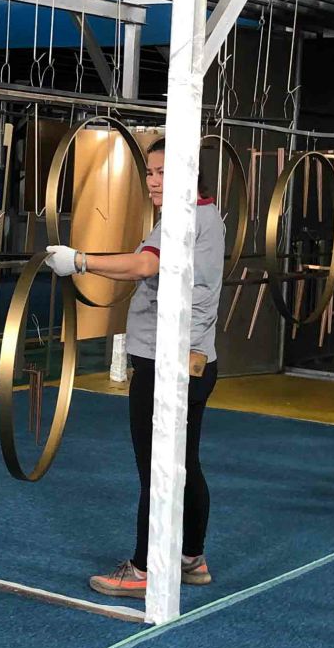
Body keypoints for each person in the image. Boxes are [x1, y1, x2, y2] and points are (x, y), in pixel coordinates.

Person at [45, 138, 225, 598]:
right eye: (150, 172)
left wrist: (79, 261)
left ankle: (145, 567)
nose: (153, 182)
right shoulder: (206, 215)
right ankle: (191, 556)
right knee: (183, 463)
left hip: (168, 364)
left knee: (157, 467)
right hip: (194, 362)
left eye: (163, 172)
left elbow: (143, 266)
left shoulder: (184, 219)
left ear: (189, 174)